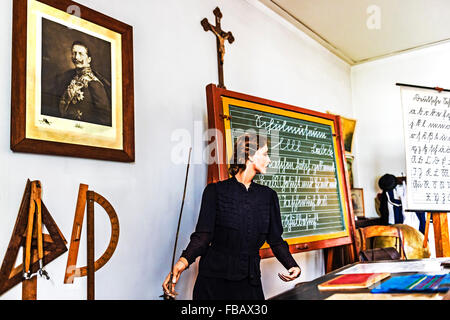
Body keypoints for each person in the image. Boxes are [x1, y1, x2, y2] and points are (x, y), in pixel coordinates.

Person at [162, 133, 301, 300]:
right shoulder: (215, 191)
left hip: (250, 282)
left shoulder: (268, 196)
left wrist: (291, 265)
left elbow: (276, 240)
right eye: (265, 154)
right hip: (213, 284)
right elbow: (202, 237)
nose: (269, 160)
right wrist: (181, 264)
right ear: (249, 155)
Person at [54, 41, 111, 126]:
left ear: (89, 59)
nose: (76, 57)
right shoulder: (68, 78)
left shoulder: (94, 84)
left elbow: (105, 119)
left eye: (81, 54)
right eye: (74, 53)